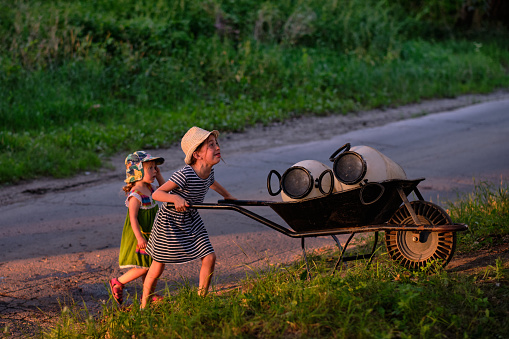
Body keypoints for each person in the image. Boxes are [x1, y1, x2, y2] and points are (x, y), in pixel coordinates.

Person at [141, 126, 236, 308]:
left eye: (216, 144)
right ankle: (144, 304)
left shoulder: (208, 172)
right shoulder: (184, 174)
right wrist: (175, 197)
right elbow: (157, 194)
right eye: (210, 145)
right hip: (169, 222)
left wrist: (228, 196)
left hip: (191, 218)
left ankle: (201, 301)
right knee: (158, 265)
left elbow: (212, 183)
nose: (217, 148)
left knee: (209, 257)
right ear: (197, 155)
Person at [109, 151, 166, 305]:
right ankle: (118, 282)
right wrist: (140, 238)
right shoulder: (136, 195)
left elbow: (166, 190)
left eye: (155, 168)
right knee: (145, 267)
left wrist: (159, 176)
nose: (155, 171)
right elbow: (133, 218)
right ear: (138, 172)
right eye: (150, 168)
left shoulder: (151, 188)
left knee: (154, 265)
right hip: (140, 236)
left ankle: (148, 294)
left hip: (152, 234)